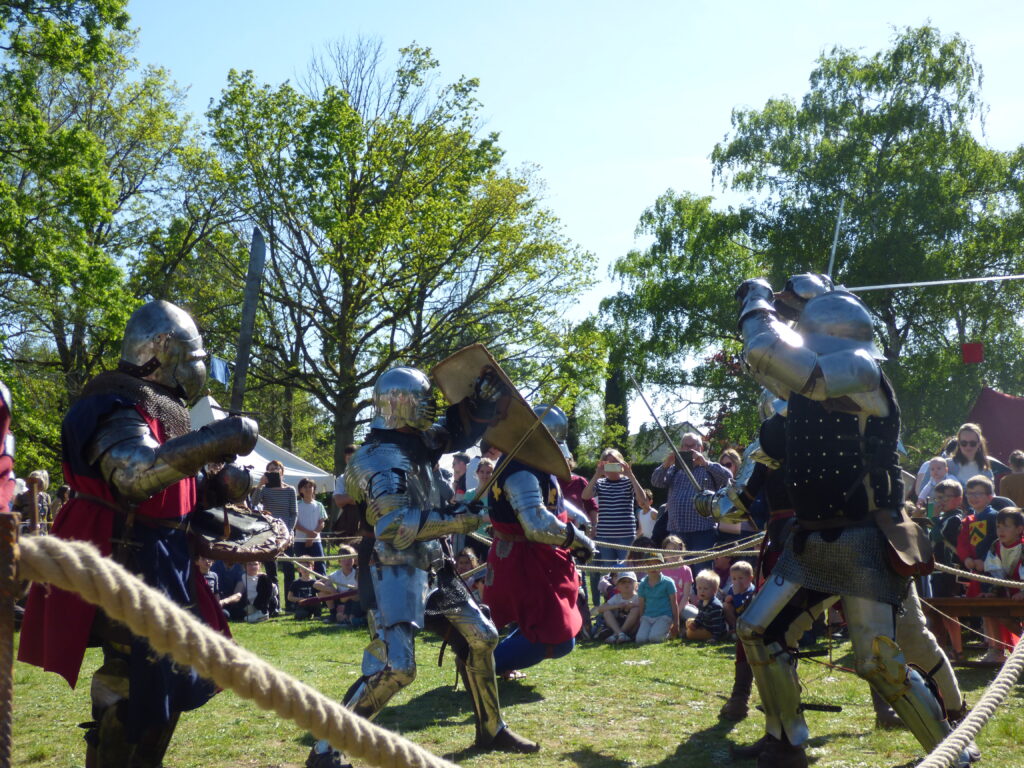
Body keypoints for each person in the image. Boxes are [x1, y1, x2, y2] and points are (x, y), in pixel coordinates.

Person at [733, 274, 971, 767]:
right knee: (758, 630)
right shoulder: (811, 385)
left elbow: (767, 353)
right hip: (813, 536)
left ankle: (952, 755)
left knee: (880, 661)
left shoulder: (861, 369)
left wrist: (756, 300)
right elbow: (765, 364)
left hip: (864, 535)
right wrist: (782, 311)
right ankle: (785, 740)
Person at [18, 299, 258, 768]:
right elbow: (133, 475)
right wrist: (218, 438)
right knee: (134, 685)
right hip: (124, 558)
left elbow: (167, 490)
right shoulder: (113, 401)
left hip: (161, 560)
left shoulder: (162, 409)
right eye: (189, 354)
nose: (196, 366)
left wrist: (214, 487)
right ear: (163, 348)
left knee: (164, 685)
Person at [307, 366, 537, 768]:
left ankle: (491, 728)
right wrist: (462, 521)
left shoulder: (417, 441)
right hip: (392, 570)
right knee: (398, 668)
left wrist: (479, 402)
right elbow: (394, 526)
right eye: (423, 399)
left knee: (482, 637)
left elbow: (454, 430)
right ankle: (327, 748)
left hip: (434, 564)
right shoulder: (378, 458)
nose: (432, 406)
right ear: (400, 404)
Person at [485, 403, 595, 673]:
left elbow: (549, 500)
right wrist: (579, 540)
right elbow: (535, 522)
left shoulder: (533, 464)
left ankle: (493, 661)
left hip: (539, 557)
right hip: (522, 560)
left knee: (546, 628)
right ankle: (482, 667)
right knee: (556, 637)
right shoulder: (520, 470)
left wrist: (576, 517)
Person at [581, 447, 646, 607]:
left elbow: (643, 501)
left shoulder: (628, 482)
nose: (612, 466)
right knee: (608, 574)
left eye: (616, 463)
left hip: (626, 535)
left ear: (622, 463)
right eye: (608, 463)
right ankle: (610, 606)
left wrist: (630, 475)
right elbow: (585, 495)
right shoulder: (601, 483)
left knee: (628, 572)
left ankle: (631, 605)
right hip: (605, 536)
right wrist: (597, 474)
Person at [650, 432, 731, 556]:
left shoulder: (708, 468)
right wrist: (666, 463)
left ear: (701, 448)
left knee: (701, 570)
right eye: (685, 446)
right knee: (678, 570)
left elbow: (728, 478)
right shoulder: (674, 469)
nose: (688, 449)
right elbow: (656, 482)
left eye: (692, 445)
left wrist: (705, 463)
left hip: (703, 531)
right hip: (676, 530)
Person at [928, 479, 967, 660]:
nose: (941, 501)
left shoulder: (955, 519)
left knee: (949, 611)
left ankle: (957, 650)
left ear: (959, 499)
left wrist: (934, 519)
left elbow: (942, 537)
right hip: (938, 571)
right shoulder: (943, 518)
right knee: (942, 612)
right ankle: (947, 647)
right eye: (938, 497)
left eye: (946, 497)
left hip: (950, 571)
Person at [252, 460, 297, 605]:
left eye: (276, 469)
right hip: (270, 534)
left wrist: (289, 533)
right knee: (272, 571)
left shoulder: (290, 490)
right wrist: (259, 485)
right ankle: (274, 604)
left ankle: (290, 604)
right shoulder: (264, 490)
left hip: (287, 535)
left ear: (282, 471)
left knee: (289, 570)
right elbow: (253, 504)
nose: (274, 472)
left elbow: (294, 513)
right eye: (270, 470)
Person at [980, 507, 1024, 658]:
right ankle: (1000, 650)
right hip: (1010, 594)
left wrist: (1022, 592)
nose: (1001, 530)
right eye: (998, 526)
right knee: (999, 613)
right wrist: (992, 592)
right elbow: (996, 574)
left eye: (1006, 526)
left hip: (1020, 592)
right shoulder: (996, 546)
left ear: (1019, 529)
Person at [635, 559, 678, 644]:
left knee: (654, 638)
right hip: (648, 617)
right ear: (645, 566)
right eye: (650, 564)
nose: (653, 568)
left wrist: (676, 623)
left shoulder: (668, 582)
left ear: (662, 566)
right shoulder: (643, 584)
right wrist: (641, 619)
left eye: (656, 564)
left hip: (664, 616)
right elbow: (641, 603)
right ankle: (655, 631)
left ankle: (668, 635)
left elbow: (674, 603)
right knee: (640, 639)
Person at [594, 572, 642, 644]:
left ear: (636, 585)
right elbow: (600, 609)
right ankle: (620, 634)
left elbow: (645, 608)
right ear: (617, 586)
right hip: (617, 625)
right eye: (623, 582)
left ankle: (616, 635)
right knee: (607, 612)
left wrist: (634, 605)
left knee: (636, 610)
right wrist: (617, 606)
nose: (626, 584)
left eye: (630, 582)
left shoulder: (638, 597)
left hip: (633, 627)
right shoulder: (616, 597)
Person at [294, 478, 328, 575]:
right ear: (300, 490)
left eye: (310, 486)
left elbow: (322, 523)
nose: (308, 489)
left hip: (316, 541)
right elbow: (295, 523)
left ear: (314, 489)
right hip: (300, 541)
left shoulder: (319, 505)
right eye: (305, 487)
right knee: (303, 570)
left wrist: (312, 537)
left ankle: (323, 589)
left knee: (320, 568)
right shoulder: (296, 505)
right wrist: (308, 534)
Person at [683, 570, 725, 641]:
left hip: (711, 632)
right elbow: (700, 616)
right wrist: (695, 624)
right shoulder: (701, 601)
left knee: (690, 634)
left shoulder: (715, 606)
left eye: (705, 589)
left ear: (714, 590)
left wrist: (715, 638)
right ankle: (689, 630)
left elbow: (717, 625)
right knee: (689, 621)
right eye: (699, 588)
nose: (702, 591)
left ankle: (686, 632)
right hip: (704, 626)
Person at [723, 560, 756, 635]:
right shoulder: (732, 588)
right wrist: (728, 599)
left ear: (750, 578)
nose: (737, 582)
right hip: (735, 616)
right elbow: (730, 603)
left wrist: (737, 595)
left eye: (740, 578)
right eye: (734, 579)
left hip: (747, 618)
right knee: (725, 605)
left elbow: (742, 609)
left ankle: (741, 630)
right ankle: (734, 628)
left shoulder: (752, 591)